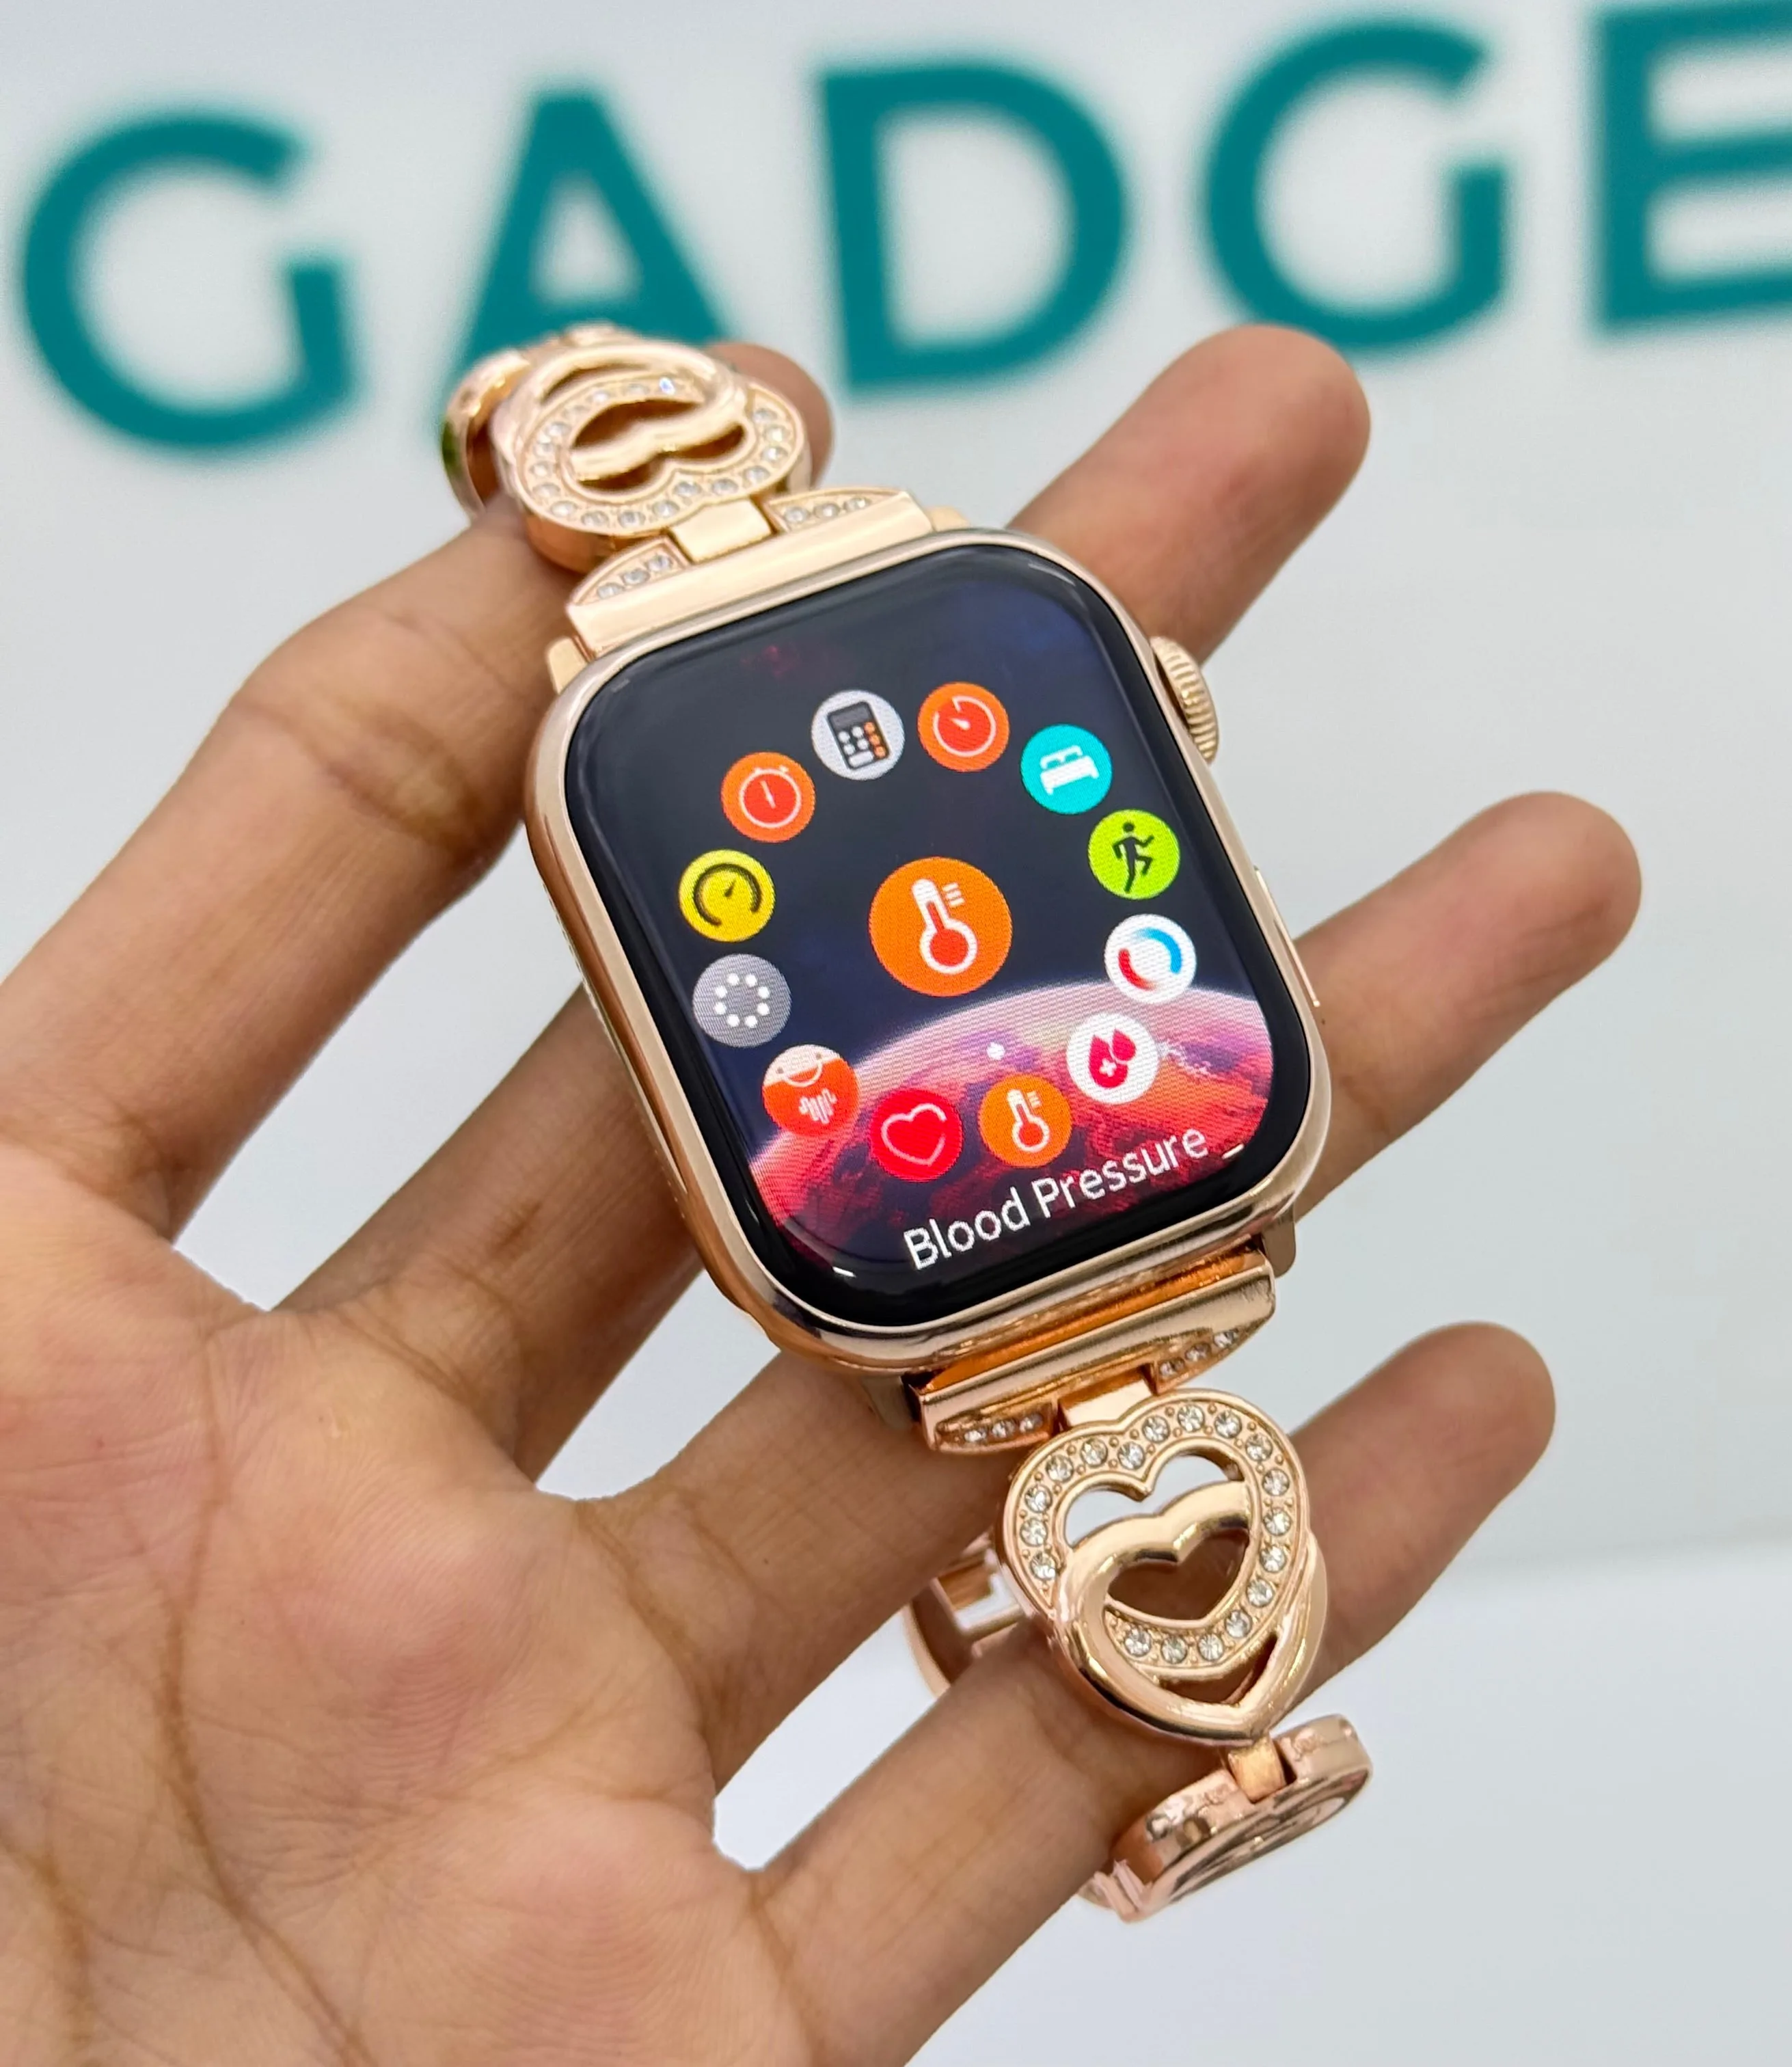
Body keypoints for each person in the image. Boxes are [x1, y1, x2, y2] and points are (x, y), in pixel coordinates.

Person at [0, 327, 1638, 2062]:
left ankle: (1094, 1657)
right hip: (1063, 1225)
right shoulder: (867, 650)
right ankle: (1121, 1689)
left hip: (1125, 1211)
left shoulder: (941, 627)